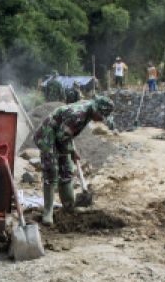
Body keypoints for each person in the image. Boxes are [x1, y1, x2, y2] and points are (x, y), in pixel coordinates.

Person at [33, 95, 114, 225]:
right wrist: (71, 151)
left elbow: (66, 134)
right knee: (52, 170)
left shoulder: (88, 112)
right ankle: (47, 212)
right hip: (48, 134)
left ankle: (68, 205)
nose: (101, 120)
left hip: (62, 135)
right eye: (101, 116)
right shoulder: (78, 115)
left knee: (67, 169)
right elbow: (61, 137)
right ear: (96, 111)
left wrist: (72, 151)